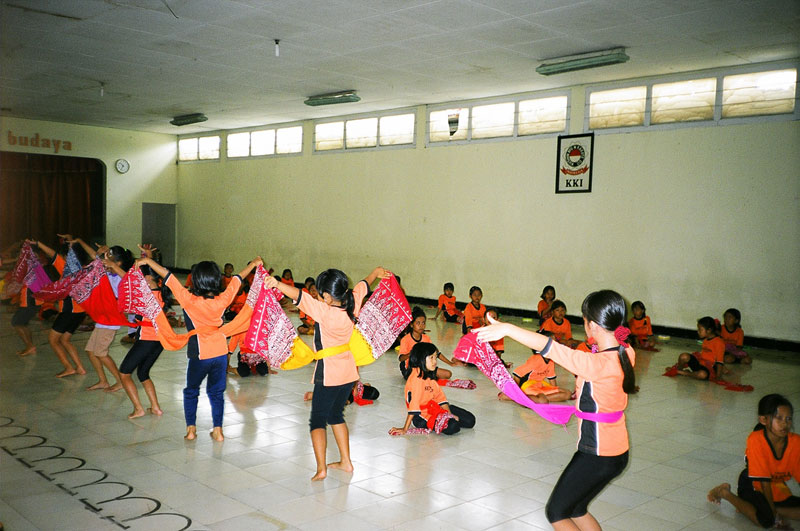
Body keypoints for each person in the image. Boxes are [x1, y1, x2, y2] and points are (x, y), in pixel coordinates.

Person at [477, 289, 636, 530]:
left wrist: (508, 329)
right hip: (616, 452)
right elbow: (618, 337)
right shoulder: (627, 352)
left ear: (592, 325)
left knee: (556, 513)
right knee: (577, 509)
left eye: (584, 321)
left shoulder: (596, 364)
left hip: (597, 453)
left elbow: (550, 347)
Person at [265, 266, 390, 481]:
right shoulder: (352, 302)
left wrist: (277, 284)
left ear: (328, 297)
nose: (319, 297)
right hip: (348, 372)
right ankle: (346, 462)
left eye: (322, 294)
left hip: (329, 372)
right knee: (335, 415)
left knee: (317, 421)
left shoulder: (325, 311)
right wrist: (375, 273)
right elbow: (363, 284)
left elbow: (299, 296)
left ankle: (321, 468)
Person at [136, 255, 262, 441]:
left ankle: (191, 430)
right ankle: (218, 431)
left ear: (195, 280)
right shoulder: (222, 299)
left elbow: (168, 276)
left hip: (199, 353)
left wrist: (148, 262)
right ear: (216, 280)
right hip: (219, 351)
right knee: (217, 392)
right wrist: (253, 264)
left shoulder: (188, 299)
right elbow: (237, 279)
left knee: (191, 391)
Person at [708, 394, 799, 528]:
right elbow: (764, 483)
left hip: (776, 485)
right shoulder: (756, 441)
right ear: (763, 419)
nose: (785, 423)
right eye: (778, 418)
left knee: (769, 511)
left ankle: (753, 507)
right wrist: (773, 515)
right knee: (767, 521)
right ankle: (724, 493)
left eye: (788, 419)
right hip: (753, 483)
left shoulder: (796, 442)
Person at [71, 238, 131, 391]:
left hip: (110, 319)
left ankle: (120, 381)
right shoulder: (106, 272)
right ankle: (103, 380)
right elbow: (94, 256)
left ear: (117, 264)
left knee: (101, 353)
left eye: (109, 259)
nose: (105, 261)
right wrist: (79, 241)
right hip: (102, 318)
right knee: (91, 351)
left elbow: (128, 279)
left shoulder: (120, 276)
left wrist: (112, 264)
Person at [389, 342, 475, 436]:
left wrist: (449, 414)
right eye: (431, 358)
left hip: (435, 407)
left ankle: (447, 418)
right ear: (420, 359)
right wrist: (405, 429)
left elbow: (440, 397)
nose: (435, 362)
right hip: (421, 416)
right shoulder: (415, 380)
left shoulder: (428, 375)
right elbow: (413, 406)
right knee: (453, 426)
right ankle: (447, 420)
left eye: (435, 357)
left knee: (470, 420)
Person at [37, 236, 90, 378]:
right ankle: (80, 368)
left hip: (69, 311)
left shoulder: (67, 269)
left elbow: (53, 255)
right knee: (65, 340)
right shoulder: (85, 270)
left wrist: (38, 243)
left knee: (53, 340)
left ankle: (69, 368)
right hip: (80, 312)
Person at [398, 306, 462, 379]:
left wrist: (451, 364)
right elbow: (401, 358)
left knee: (448, 374)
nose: (421, 326)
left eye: (423, 323)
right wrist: (411, 353)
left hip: (424, 367)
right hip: (410, 369)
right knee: (420, 377)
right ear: (412, 325)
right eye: (418, 323)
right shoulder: (405, 339)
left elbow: (437, 353)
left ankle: (426, 376)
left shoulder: (426, 338)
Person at [503, 346, 572, 403]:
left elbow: (552, 379)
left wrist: (553, 391)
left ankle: (530, 399)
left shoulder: (550, 361)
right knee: (543, 401)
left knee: (567, 394)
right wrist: (515, 392)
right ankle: (515, 397)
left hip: (540, 385)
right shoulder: (536, 359)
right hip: (527, 385)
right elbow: (517, 374)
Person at [672, 316, 725, 380]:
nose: (698, 331)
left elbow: (720, 362)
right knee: (683, 356)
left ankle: (684, 373)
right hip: (699, 364)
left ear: (709, 330)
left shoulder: (719, 342)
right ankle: (679, 370)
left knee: (702, 375)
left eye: (700, 329)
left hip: (708, 369)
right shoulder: (705, 340)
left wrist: (718, 377)